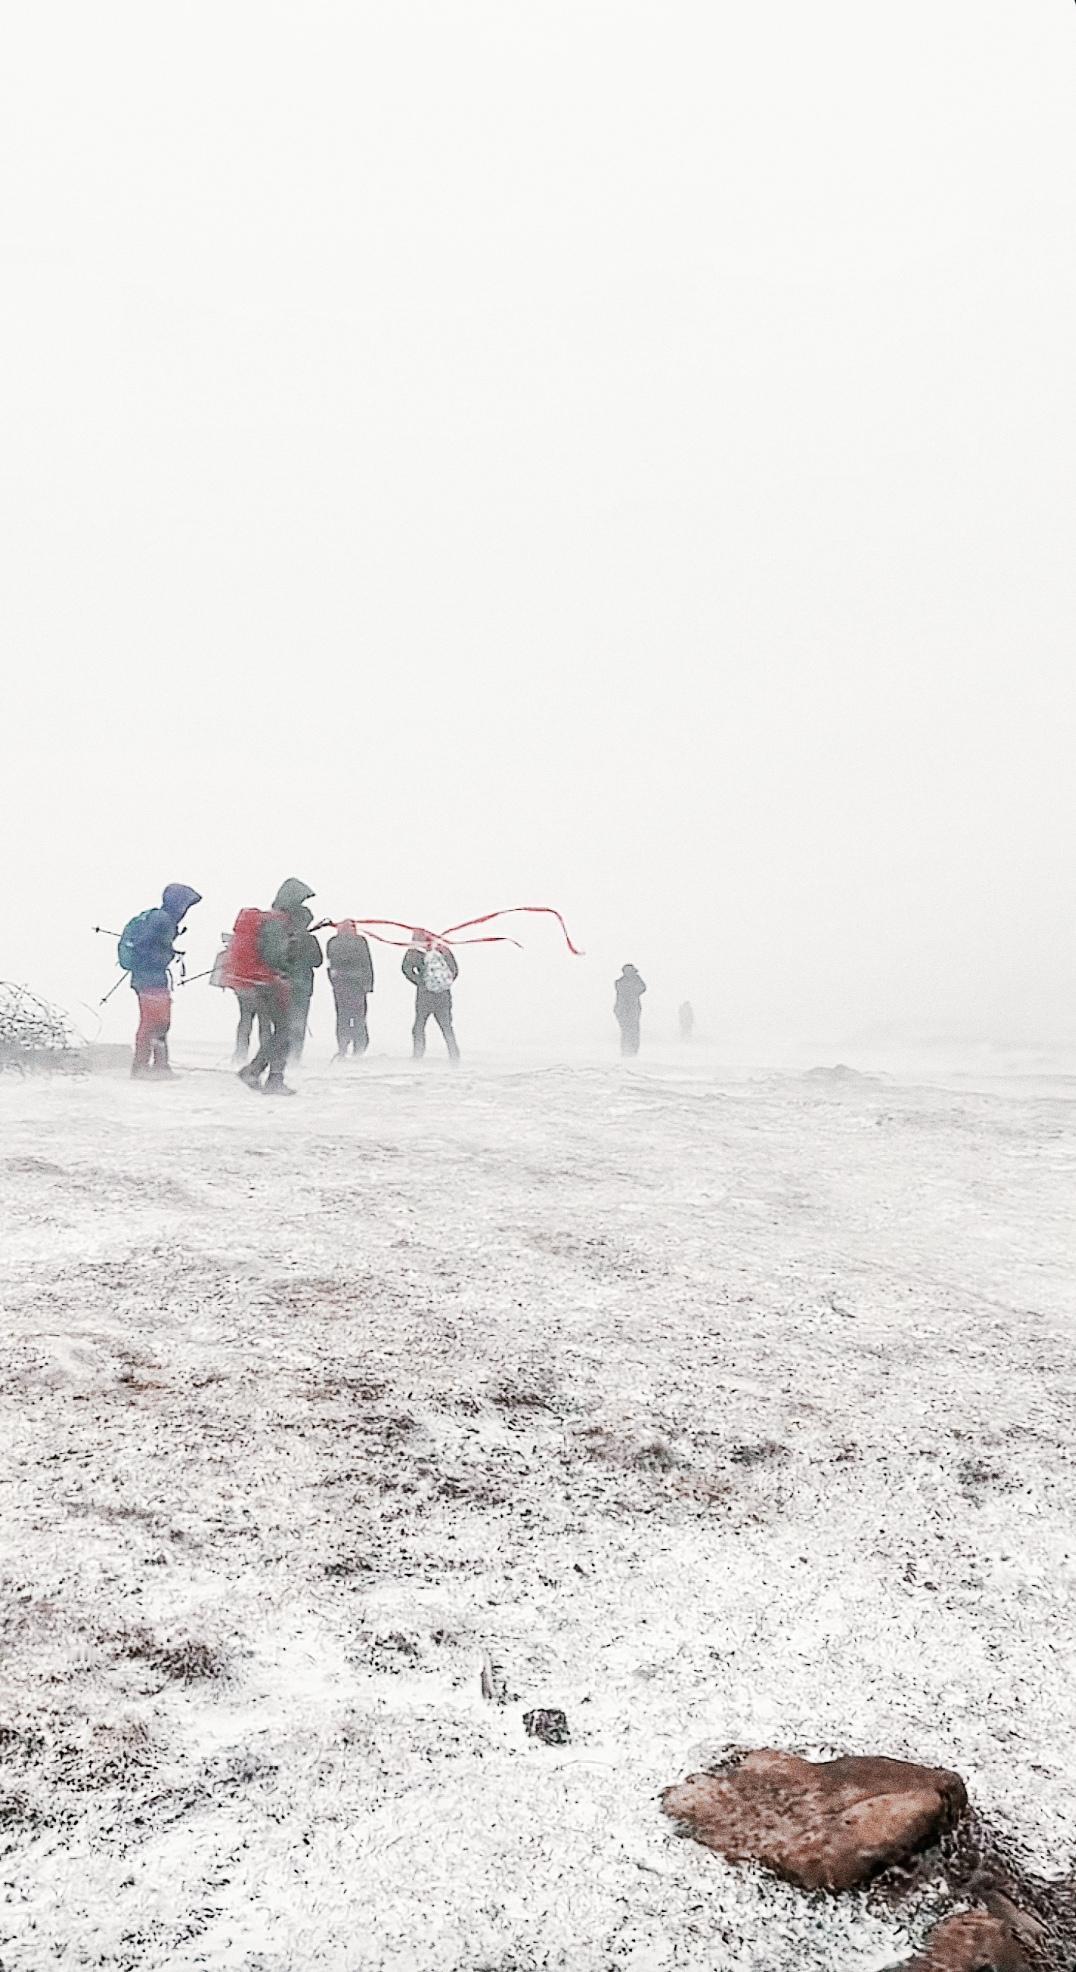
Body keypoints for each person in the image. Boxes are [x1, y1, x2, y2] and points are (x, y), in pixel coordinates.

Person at [231, 877, 316, 1095]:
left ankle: (262, 1073)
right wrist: (288, 960)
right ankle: (266, 1075)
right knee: (284, 1031)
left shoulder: (268, 920)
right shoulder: (278, 923)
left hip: (256, 982)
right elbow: (275, 956)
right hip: (269, 982)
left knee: (278, 1030)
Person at [119, 883, 202, 1079]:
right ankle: (147, 1068)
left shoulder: (156, 918)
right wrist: (165, 954)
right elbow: (151, 946)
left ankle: (154, 1066)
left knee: (155, 1021)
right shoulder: (164, 921)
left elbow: (146, 944)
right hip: (151, 976)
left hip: (144, 976)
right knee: (156, 1022)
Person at [403, 931, 460, 1061]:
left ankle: (418, 1056)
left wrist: (420, 982)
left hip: (425, 996)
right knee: (446, 1027)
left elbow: (406, 969)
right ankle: (454, 1056)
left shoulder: (414, 952)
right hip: (444, 995)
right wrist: (443, 984)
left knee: (419, 1026)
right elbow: (454, 970)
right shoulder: (443, 951)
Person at [211, 931, 264, 1065]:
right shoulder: (262, 942)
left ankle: (240, 1054)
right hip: (260, 987)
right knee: (264, 1022)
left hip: (242, 987)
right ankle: (264, 1057)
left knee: (245, 1020)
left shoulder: (240, 944)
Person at [326, 920, 374, 1057]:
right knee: (359, 1017)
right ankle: (359, 1047)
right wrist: (368, 984)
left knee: (342, 1017)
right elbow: (367, 962)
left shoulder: (332, 942)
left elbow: (330, 965)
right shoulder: (360, 941)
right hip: (357, 985)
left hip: (340, 985)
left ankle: (343, 1047)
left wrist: (333, 982)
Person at [286, 903, 323, 1063]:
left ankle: (282, 1057)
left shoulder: (285, 937)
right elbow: (318, 961)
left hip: (284, 985)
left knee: (284, 1022)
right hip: (304, 986)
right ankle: (295, 1057)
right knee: (299, 1022)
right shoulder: (310, 939)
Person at [614, 963, 646, 1057]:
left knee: (629, 1031)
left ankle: (630, 1050)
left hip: (628, 1009)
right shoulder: (622, 982)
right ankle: (628, 1050)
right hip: (626, 1009)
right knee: (629, 1030)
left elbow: (642, 988)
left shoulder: (622, 982)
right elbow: (640, 989)